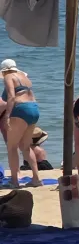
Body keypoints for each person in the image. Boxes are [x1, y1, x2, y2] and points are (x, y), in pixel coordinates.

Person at [0, 59, 41, 188]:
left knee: (12, 146)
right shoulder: (24, 77)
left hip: (20, 110)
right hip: (34, 108)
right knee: (25, 146)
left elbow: (11, 97)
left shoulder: (9, 77)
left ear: (4, 71)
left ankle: (14, 181)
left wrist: (7, 115)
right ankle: (36, 179)